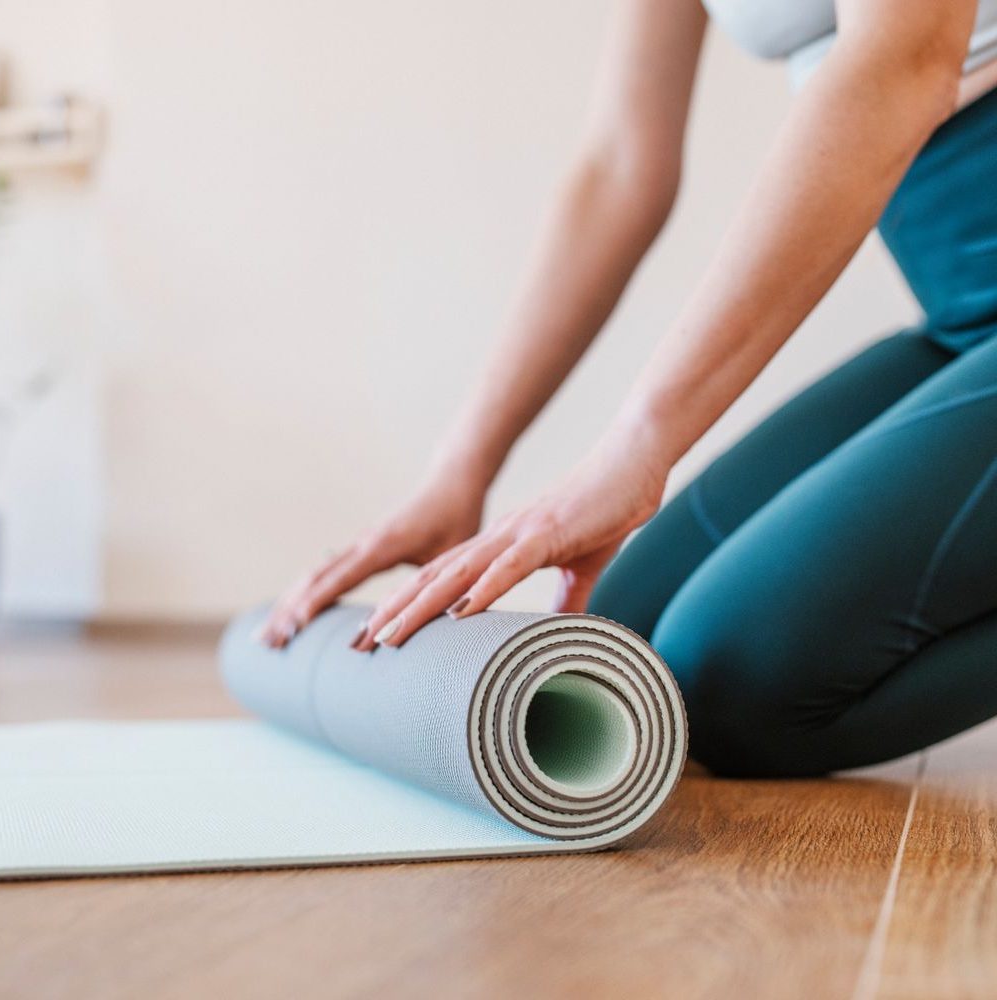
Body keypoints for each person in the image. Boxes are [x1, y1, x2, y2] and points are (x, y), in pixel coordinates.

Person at [261, 0, 997, 777]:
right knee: (632, 645)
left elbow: (899, 68)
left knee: (737, 683)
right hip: (966, 317)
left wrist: (636, 453)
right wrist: (463, 468)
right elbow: (621, 163)